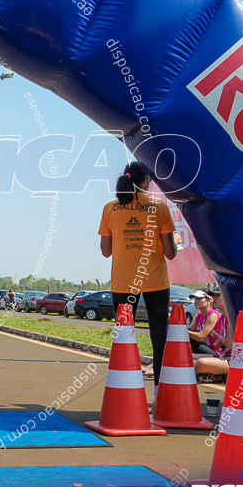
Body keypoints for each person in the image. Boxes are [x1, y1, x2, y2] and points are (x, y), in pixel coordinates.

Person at [98, 161, 177, 400]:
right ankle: (159, 394)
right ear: (144, 182)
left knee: (124, 338)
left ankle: (124, 395)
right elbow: (170, 252)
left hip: (123, 282)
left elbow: (106, 251)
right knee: (159, 338)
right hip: (155, 281)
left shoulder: (110, 208)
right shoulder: (159, 207)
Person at [195, 286, 232, 381]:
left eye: (217, 295)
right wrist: (220, 342)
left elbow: (231, 345)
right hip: (222, 356)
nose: (213, 298)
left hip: (232, 360)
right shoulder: (223, 317)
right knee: (186, 359)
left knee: (200, 363)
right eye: (213, 296)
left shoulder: (230, 318)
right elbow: (225, 343)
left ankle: (215, 375)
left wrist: (218, 337)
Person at [188, 290, 228, 355]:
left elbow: (200, 337)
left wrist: (183, 331)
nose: (196, 301)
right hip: (204, 347)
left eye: (199, 299)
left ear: (208, 301)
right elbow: (190, 331)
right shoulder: (198, 316)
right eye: (195, 299)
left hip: (214, 351)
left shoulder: (213, 315)